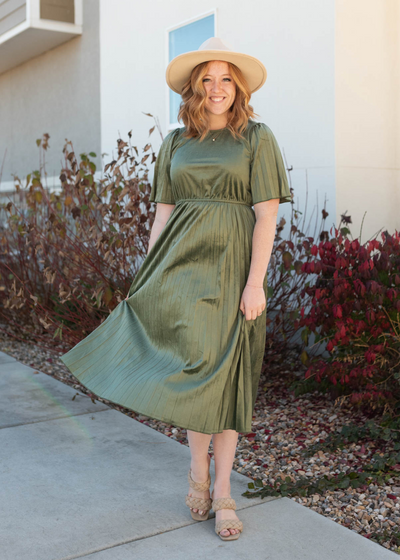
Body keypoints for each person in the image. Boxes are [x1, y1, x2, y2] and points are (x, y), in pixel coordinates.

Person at [60, 36, 291, 541]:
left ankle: (224, 491)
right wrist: (146, 280)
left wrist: (256, 284)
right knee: (193, 376)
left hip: (234, 277)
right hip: (181, 272)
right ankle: (197, 475)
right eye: (206, 79)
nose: (216, 88)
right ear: (193, 87)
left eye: (226, 78)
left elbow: (266, 215)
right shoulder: (174, 144)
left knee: (226, 382)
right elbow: (162, 218)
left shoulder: (257, 137)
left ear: (239, 85)